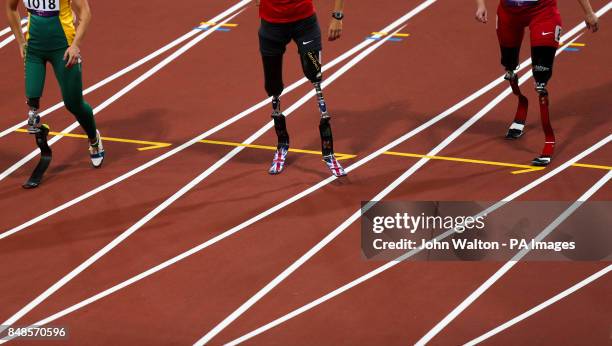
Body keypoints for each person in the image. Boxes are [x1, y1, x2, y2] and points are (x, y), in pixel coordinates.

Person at [475, 0, 599, 166]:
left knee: (541, 77)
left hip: (543, 11)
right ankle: (521, 106)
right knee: (509, 67)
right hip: (509, 12)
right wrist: (480, 5)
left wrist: (589, 12)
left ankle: (548, 141)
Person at [6, 0, 105, 168]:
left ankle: (94, 139)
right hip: (35, 49)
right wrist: (20, 41)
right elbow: (10, 7)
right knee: (32, 103)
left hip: (64, 49)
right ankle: (42, 139)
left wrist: (75, 46)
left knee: (73, 103)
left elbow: (85, 13)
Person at [256, 0, 347, 176]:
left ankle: (328, 152)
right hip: (271, 26)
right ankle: (282, 143)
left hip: (304, 24)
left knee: (316, 78)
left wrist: (337, 16)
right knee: (273, 87)